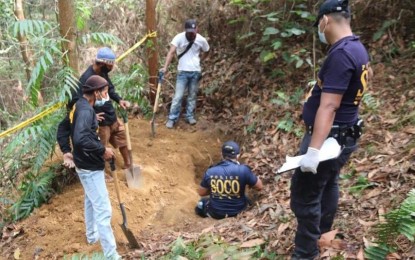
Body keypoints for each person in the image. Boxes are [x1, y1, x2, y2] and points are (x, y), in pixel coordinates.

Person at [290, 0, 371, 259]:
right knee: (328, 183)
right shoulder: (357, 48)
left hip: (329, 139)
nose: (319, 30)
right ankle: (323, 234)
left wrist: (313, 150)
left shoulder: (341, 54)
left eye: (319, 25)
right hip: (343, 135)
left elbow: (329, 106)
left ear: (325, 20)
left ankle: (305, 252)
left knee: (305, 194)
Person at [57, 75, 121, 259]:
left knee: (90, 200)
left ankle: (92, 236)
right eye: (105, 91)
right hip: (89, 166)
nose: (107, 95)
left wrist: (66, 150)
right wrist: (102, 150)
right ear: (95, 92)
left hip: (85, 163)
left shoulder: (80, 105)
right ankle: (111, 255)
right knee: (104, 209)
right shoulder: (85, 111)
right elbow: (81, 138)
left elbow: (63, 128)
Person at [59, 47, 131, 175]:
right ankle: (103, 173)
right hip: (102, 123)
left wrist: (119, 100)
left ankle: (128, 164)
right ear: (102, 64)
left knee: (123, 139)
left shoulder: (103, 73)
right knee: (101, 148)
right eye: (111, 64)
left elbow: (110, 89)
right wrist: (91, 115)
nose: (112, 67)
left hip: (112, 116)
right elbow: (77, 102)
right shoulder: (86, 79)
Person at [160, 19, 210, 128]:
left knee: (192, 95)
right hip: (182, 72)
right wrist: (165, 67)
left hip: (195, 72)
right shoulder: (178, 38)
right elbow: (171, 52)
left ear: (197, 29)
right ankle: (172, 118)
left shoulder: (201, 40)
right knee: (178, 96)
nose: (191, 33)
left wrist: (200, 61)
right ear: (185, 30)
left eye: (193, 31)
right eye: (189, 31)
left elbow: (206, 50)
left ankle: (190, 116)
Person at [195, 141, 263, 219]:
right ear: (238, 156)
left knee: (201, 203)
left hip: (215, 214)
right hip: (238, 211)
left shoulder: (210, 171)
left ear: (222, 154)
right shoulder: (243, 170)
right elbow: (259, 187)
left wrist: (215, 189)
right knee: (246, 198)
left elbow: (201, 192)